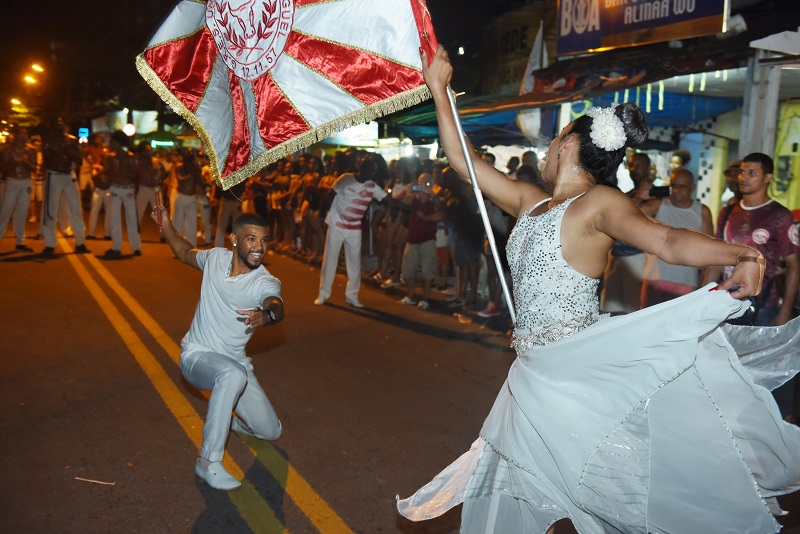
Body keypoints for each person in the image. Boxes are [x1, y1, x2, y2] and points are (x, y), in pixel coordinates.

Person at [398, 46, 800, 534]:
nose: (546, 151)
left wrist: (744, 254)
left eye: (551, 143)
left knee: (617, 492)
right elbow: (463, 161)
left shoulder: (599, 203)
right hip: (530, 373)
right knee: (518, 492)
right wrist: (439, 91)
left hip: (577, 372)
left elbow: (667, 240)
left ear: (566, 143)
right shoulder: (531, 201)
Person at [151, 195, 284, 490]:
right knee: (231, 375)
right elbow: (185, 251)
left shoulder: (264, 281)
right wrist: (167, 225)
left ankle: (230, 420)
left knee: (271, 431)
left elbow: (275, 304)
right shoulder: (215, 258)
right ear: (234, 241)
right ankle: (208, 462)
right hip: (197, 355)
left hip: (235, 363)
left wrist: (268, 315)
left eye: (263, 241)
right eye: (251, 239)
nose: (259, 248)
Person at [315, 152, 388, 308]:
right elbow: (330, 194)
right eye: (369, 169)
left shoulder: (372, 186)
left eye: (374, 170)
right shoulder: (346, 178)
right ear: (360, 167)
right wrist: (321, 214)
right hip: (336, 224)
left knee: (354, 263)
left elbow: (388, 200)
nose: (372, 173)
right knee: (330, 260)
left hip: (354, 228)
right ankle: (323, 294)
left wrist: (409, 209)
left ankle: (352, 296)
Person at [638, 168, 714, 306]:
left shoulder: (701, 211)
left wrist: (704, 287)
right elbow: (629, 216)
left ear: (692, 188)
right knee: (649, 325)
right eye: (674, 185)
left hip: (686, 283)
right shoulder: (659, 204)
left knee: (680, 326)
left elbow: (710, 253)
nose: (677, 190)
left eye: (682, 186)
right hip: (655, 279)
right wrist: (640, 197)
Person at [599, 151, 653, 313]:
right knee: (611, 310)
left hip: (637, 258)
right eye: (631, 165)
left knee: (633, 310)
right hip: (616, 256)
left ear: (649, 168)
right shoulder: (628, 195)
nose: (634, 169)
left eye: (639, 166)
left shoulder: (656, 197)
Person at [40, 116, 89, 255]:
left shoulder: (71, 140)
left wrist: (68, 150)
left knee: (76, 209)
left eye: (62, 123)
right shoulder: (48, 141)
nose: (60, 125)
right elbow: (46, 159)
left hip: (69, 175)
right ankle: (49, 244)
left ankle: (81, 243)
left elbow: (79, 159)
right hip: (54, 175)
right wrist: (58, 150)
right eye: (57, 123)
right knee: (51, 210)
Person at [397, 173, 444, 310]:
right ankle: (410, 296)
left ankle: (425, 299)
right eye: (421, 182)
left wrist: (432, 197)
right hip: (412, 238)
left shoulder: (435, 197)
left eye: (427, 182)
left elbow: (443, 212)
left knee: (427, 271)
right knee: (408, 270)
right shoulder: (413, 197)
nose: (424, 185)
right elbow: (397, 201)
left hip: (428, 239)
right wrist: (406, 190)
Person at [104, 131, 141, 257]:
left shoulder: (129, 158)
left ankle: (136, 247)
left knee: (131, 218)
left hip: (127, 190)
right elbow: (107, 173)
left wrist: (120, 171)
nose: (110, 144)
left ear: (117, 143)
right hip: (115, 188)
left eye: (112, 142)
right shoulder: (112, 158)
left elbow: (135, 175)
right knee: (114, 219)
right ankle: (116, 247)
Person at [0, 127, 37, 252]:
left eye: (26, 132)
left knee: (22, 212)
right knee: (6, 211)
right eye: (21, 132)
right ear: (16, 135)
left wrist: (25, 163)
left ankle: (20, 242)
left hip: (26, 182)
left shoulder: (31, 150)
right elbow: (3, 167)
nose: (24, 135)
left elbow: (34, 168)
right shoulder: (8, 149)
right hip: (12, 181)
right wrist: (14, 163)